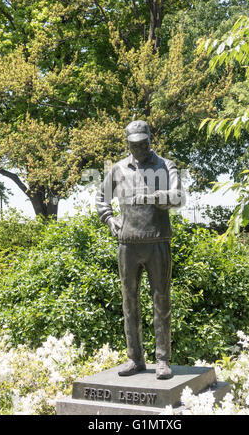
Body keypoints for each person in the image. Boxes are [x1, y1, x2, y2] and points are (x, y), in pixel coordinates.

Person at [96, 120, 181, 379]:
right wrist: (109, 219)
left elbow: (177, 197)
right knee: (129, 304)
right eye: (134, 145)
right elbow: (101, 197)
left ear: (150, 140)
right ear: (128, 144)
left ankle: (163, 360)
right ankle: (135, 358)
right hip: (128, 245)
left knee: (161, 302)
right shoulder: (118, 169)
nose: (140, 148)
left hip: (157, 242)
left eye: (143, 143)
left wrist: (156, 197)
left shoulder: (166, 166)